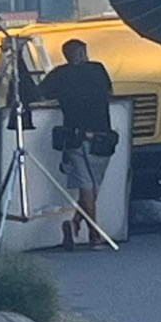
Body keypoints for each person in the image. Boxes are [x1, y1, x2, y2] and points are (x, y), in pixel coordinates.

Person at [38, 39, 113, 250]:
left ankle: (75, 225)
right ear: (83, 52)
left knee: (87, 188)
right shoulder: (98, 69)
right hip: (102, 137)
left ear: (67, 55)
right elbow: (110, 92)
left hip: (76, 137)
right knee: (92, 188)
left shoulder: (59, 74)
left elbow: (40, 95)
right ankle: (93, 234)